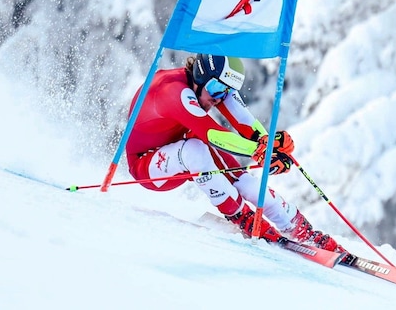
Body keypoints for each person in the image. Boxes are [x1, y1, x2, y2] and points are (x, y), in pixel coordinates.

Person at [125, 53, 345, 252]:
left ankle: (297, 226)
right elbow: (213, 133)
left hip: (180, 146)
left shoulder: (210, 87)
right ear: (200, 76)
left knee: (237, 175)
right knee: (197, 148)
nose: (219, 98)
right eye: (217, 90)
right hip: (149, 167)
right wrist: (259, 151)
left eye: (227, 91)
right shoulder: (172, 91)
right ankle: (244, 218)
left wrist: (266, 142)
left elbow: (242, 118)